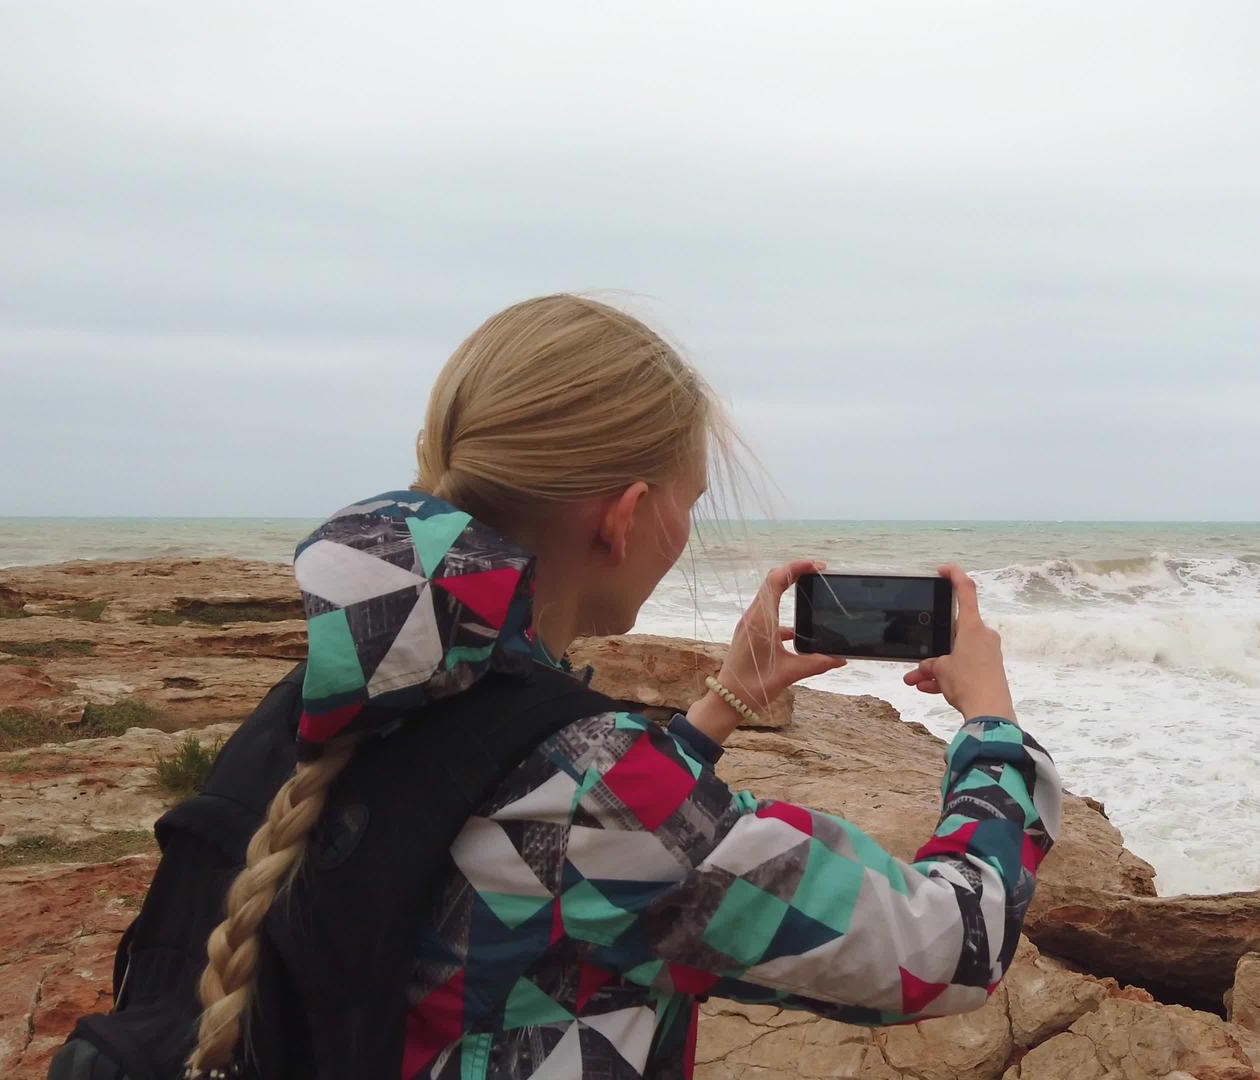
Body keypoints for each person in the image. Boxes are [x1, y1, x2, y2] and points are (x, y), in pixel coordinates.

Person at [179, 296, 1060, 1079]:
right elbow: (949, 946)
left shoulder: (353, 682)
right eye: (692, 499)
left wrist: (722, 706)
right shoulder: (599, 796)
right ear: (626, 516)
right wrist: (991, 724)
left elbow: (526, 832)